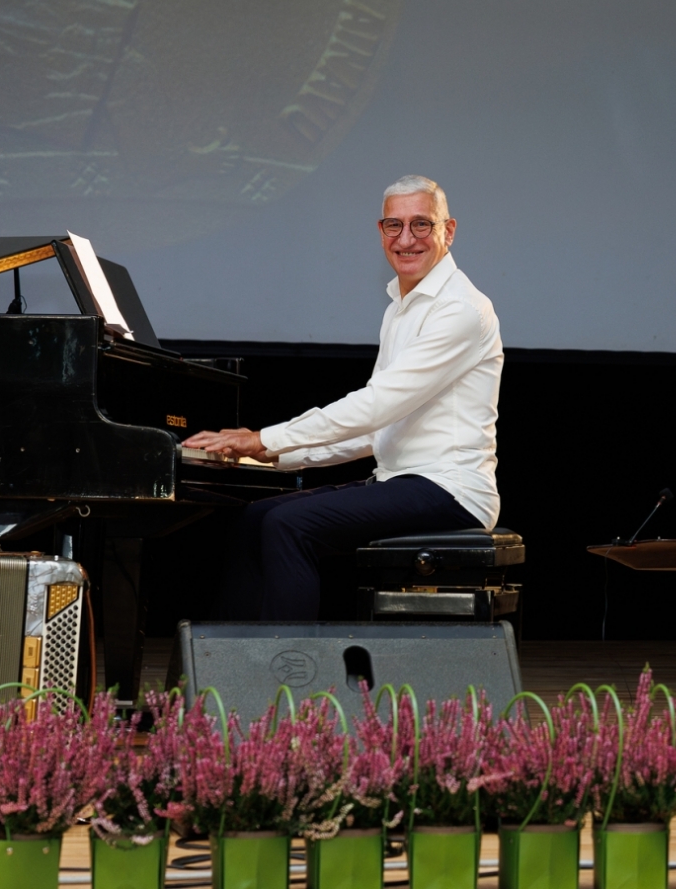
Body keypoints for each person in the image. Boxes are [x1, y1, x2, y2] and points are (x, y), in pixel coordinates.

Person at [184, 175, 504, 621]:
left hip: (451, 490)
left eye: (421, 225)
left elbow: (376, 405)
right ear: (380, 232)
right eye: (394, 225)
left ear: (448, 231)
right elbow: (376, 429)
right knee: (255, 518)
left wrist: (266, 439)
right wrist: (271, 457)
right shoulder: (400, 307)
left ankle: (289, 678)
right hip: (405, 482)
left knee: (289, 525)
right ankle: (221, 672)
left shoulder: (460, 310)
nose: (405, 239)